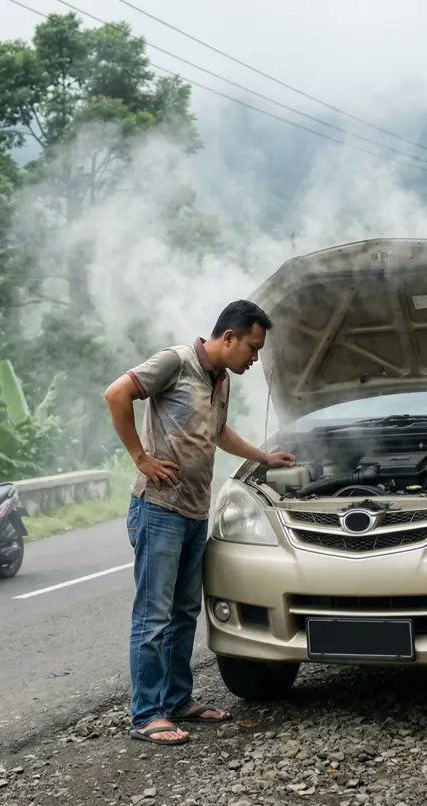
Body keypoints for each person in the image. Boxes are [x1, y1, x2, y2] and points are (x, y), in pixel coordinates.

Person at [103, 299, 296, 746]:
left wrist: (264, 457)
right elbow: (117, 394)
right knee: (153, 615)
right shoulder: (176, 361)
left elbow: (218, 431)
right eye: (251, 347)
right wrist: (141, 458)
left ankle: (178, 700)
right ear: (228, 337)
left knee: (185, 612)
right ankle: (146, 714)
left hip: (193, 511)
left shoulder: (220, 379)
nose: (254, 358)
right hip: (158, 509)